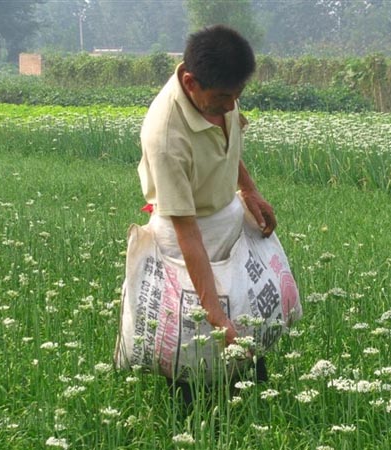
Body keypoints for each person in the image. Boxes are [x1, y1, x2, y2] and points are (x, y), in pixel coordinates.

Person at [137, 25, 275, 406]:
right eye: (223, 98)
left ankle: (252, 392)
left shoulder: (218, 92)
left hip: (225, 218)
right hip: (187, 237)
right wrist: (216, 316)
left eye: (237, 96)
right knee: (192, 331)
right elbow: (187, 231)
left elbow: (226, 142)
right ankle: (190, 412)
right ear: (190, 81)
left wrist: (249, 189)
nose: (231, 106)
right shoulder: (165, 137)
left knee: (245, 310)